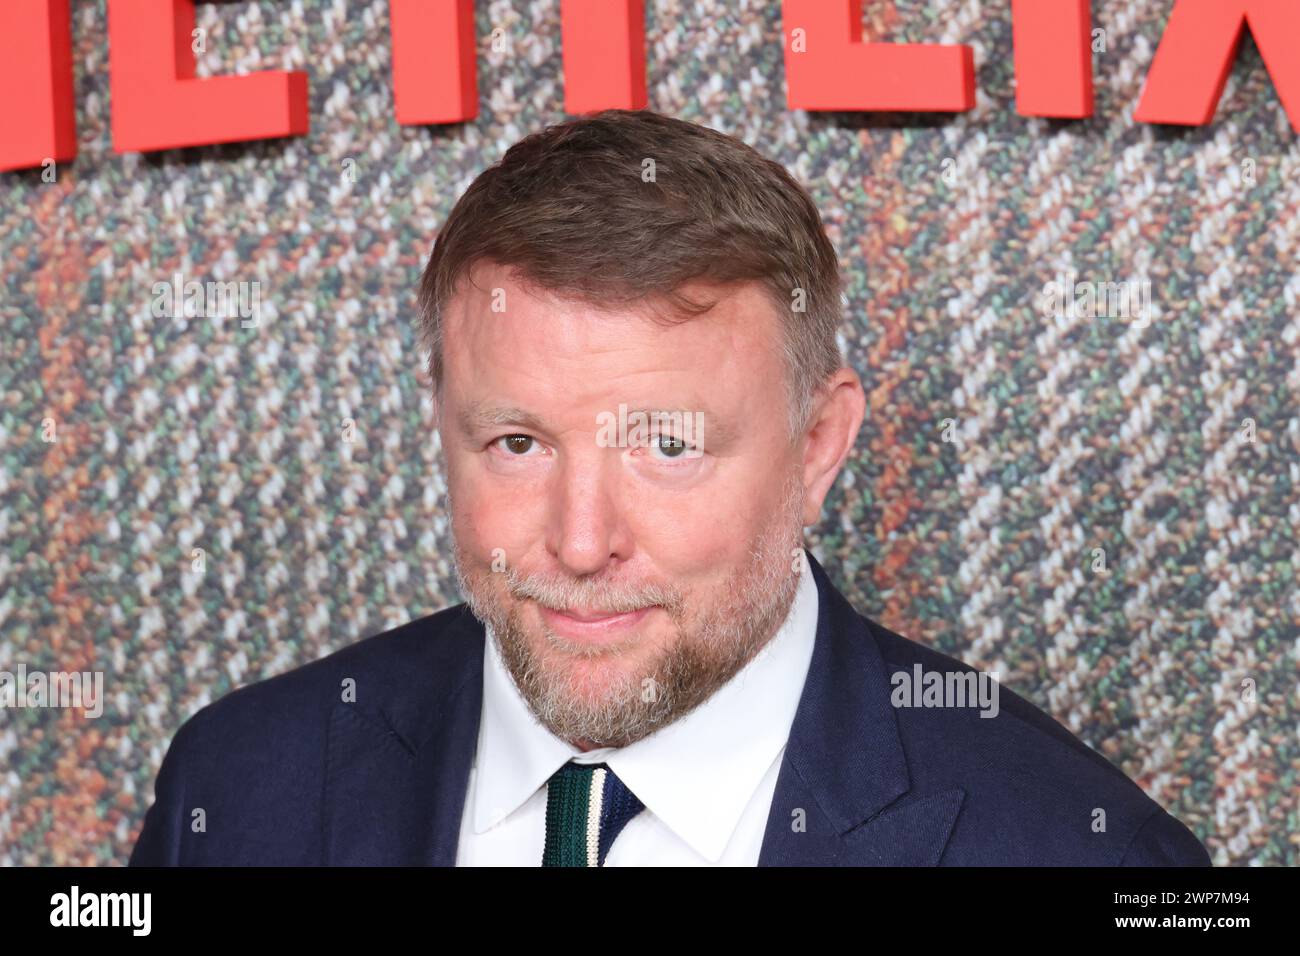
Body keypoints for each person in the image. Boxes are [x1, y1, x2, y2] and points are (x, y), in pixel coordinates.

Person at [130, 109, 1210, 866]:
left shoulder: (1066, 847)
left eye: (668, 445)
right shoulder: (236, 784)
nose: (582, 540)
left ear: (818, 442)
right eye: (516, 442)